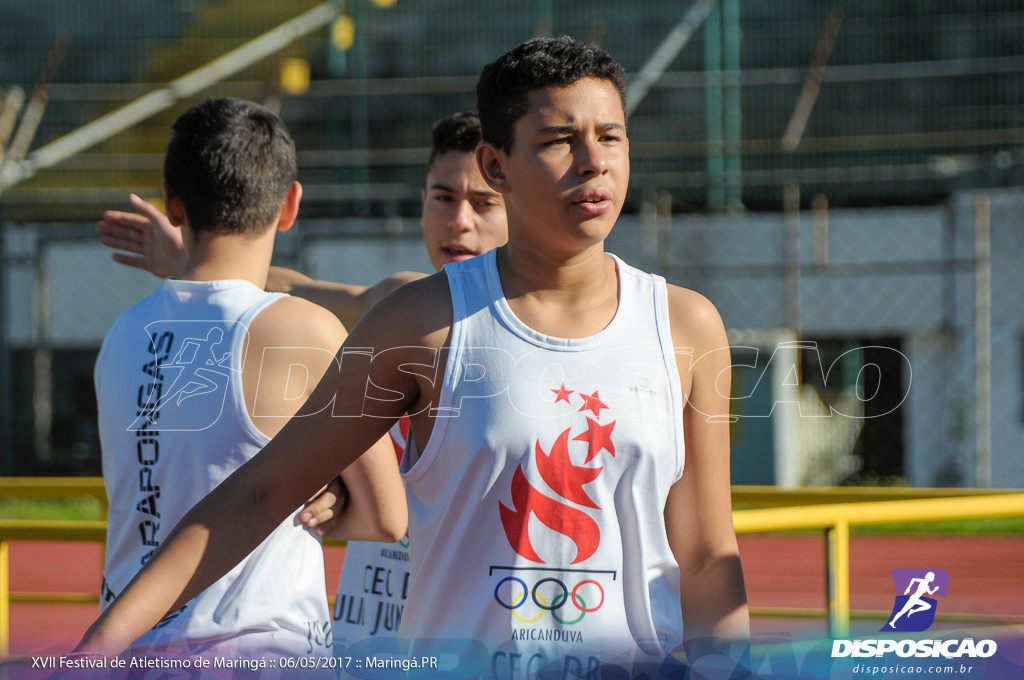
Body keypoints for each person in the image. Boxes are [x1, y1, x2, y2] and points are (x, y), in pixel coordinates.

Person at [78, 37, 749, 677]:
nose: (593, 161)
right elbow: (258, 493)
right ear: (496, 163)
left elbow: (705, 554)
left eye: (610, 136)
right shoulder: (423, 322)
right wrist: (97, 649)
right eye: (557, 141)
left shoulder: (685, 325)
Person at [96, 112, 510, 663]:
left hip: (483, 614)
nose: (458, 221)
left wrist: (199, 264)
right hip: (367, 625)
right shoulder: (372, 317)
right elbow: (313, 293)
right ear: (290, 204)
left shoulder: (445, 313)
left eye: (483, 203)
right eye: (442, 197)